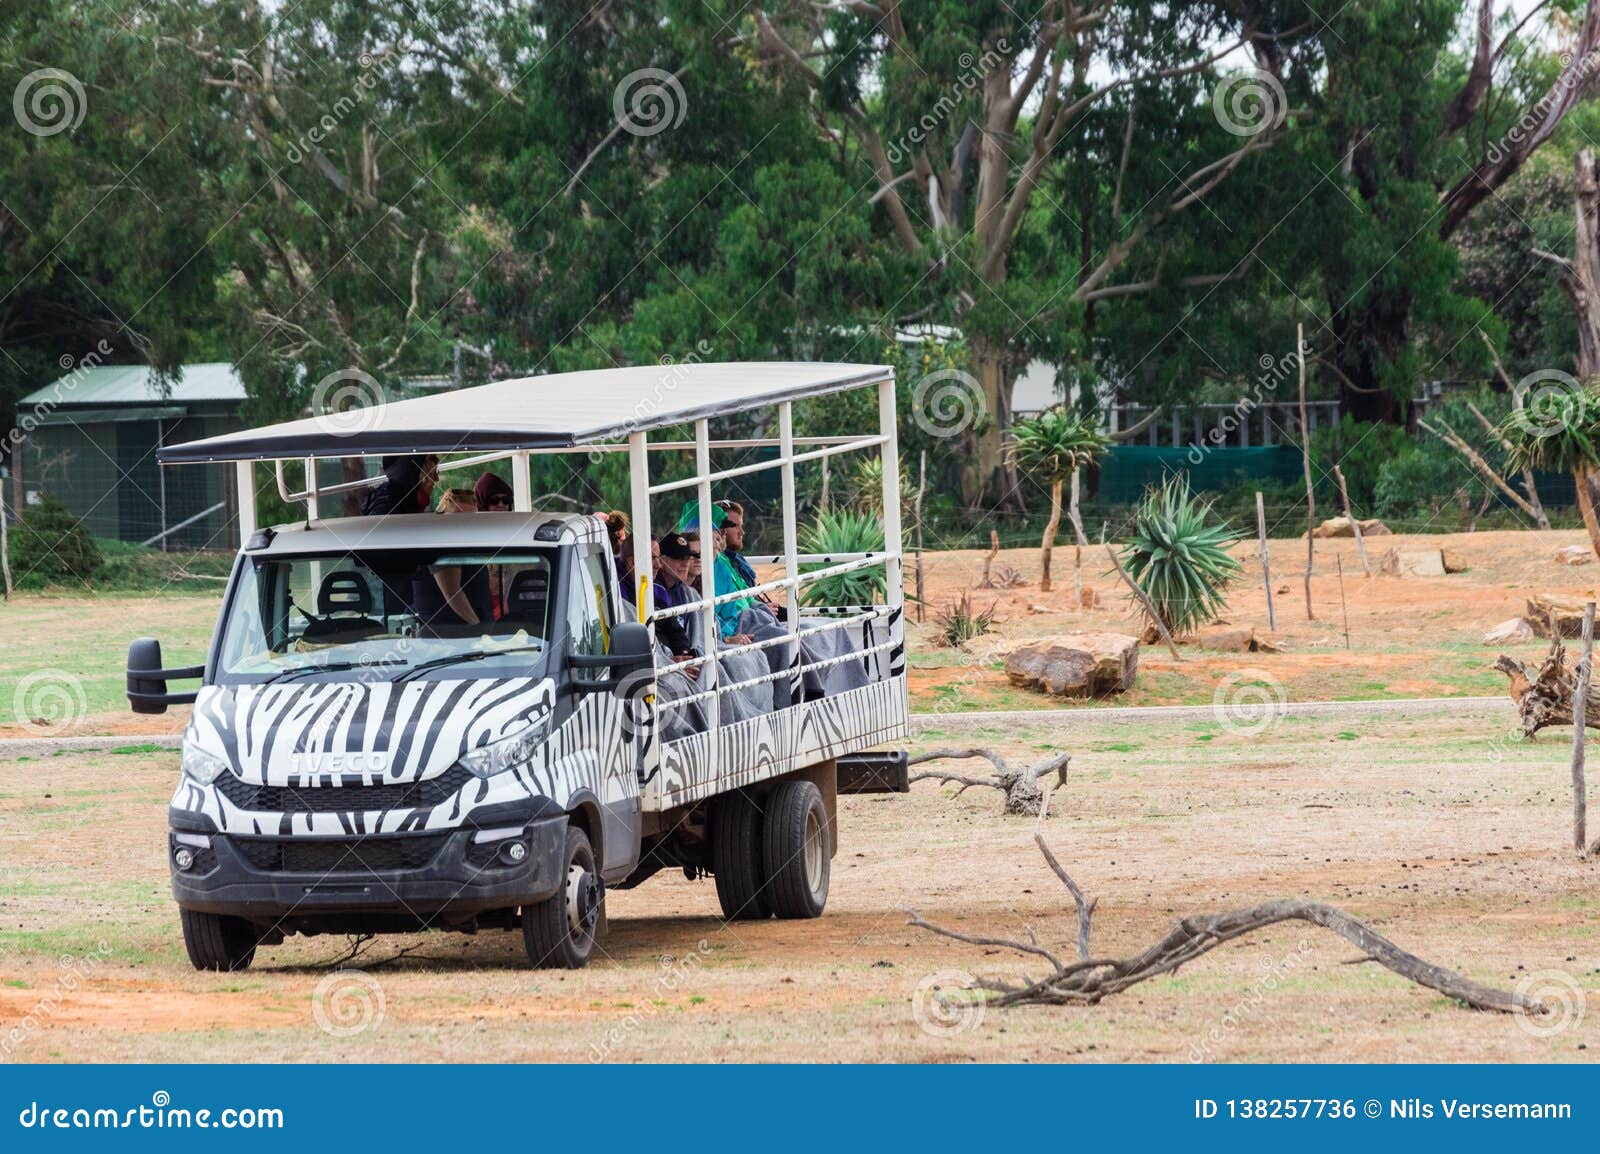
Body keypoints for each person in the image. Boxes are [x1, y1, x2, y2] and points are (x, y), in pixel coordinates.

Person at [412, 488, 492, 633]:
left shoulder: (466, 546)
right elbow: (452, 593)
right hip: (450, 637)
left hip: (463, 634)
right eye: (457, 517)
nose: (464, 524)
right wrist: (479, 629)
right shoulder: (442, 545)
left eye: (470, 519)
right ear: (443, 516)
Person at [677, 499, 754, 645]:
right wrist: (724, 639)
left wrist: (724, 636)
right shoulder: (677, 577)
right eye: (694, 553)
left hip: (733, 629)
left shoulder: (723, 566)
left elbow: (731, 613)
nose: (722, 534)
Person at [651, 532, 702, 678]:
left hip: (683, 657)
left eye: (688, 557)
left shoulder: (685, 592)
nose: (685, 563)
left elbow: (677, 632)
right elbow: (657, 634)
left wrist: (685, 655)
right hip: (663, 664)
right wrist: (670, 661)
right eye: (679, 558)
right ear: (662, 560)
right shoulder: (654, 590)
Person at [364, 455, 438, 516]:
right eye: (431, 474)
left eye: (436, 473)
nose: (436, 479)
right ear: (415, 477)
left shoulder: (405, 500)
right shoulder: (387, 507)